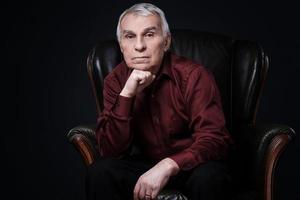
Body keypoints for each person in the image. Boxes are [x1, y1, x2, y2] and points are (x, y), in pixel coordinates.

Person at [86, 3, 233, 200]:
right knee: (101, 172)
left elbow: (215, 139)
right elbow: (111, 150)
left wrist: (169, 165)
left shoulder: (194, 76)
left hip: (193, 166)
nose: (139, 46)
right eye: (130, 36)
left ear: (166, 41)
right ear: (121, 45)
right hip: (145, 165)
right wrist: (127, 94)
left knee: (210, 177)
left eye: (149, 34)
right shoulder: (115, 81)